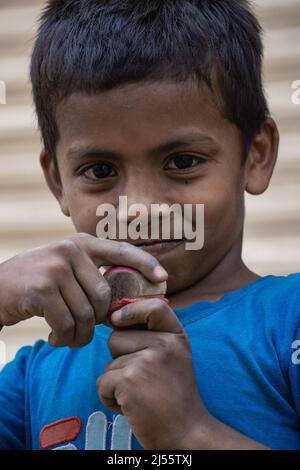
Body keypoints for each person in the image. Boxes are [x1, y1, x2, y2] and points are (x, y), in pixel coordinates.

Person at [0, 0, 299, 450]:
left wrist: (190, 432)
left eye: (182, 162)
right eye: (100, 171)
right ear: (58, 181)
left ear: (255, 155)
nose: (138, 209)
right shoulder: (33, 376)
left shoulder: (288, 322)